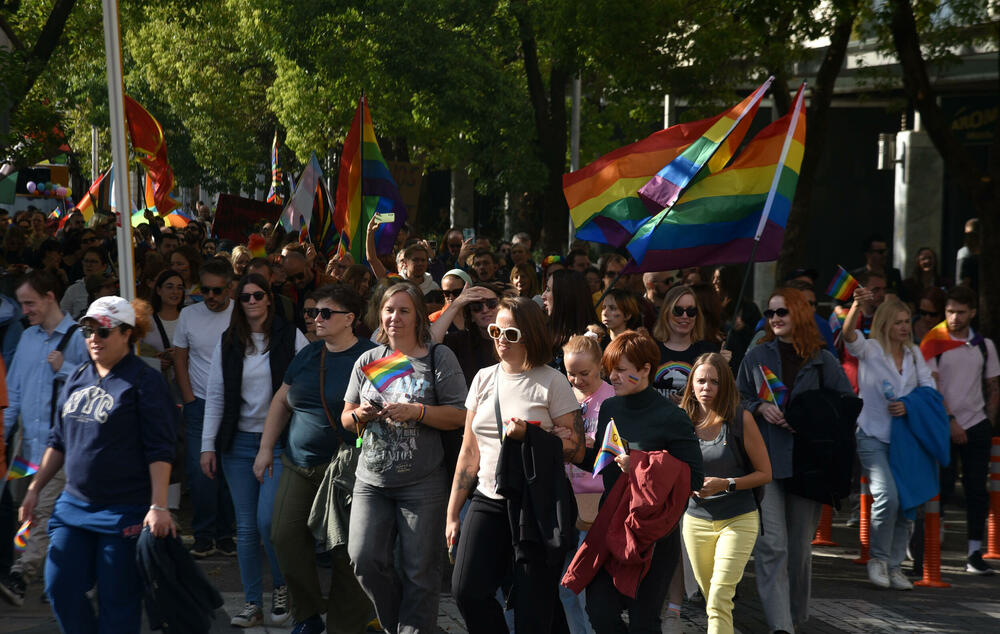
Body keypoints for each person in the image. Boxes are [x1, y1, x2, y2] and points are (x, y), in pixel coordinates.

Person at [21, 296, 176, 632]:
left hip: (124, 510)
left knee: (117, 602)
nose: (93, 338)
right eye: (87, 330)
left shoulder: (145, 382)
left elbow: (160, 450)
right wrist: (35, 488)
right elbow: (58, 441)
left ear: (127, 333)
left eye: (103, 331)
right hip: (73, 506)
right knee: (59, 586)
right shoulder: (78, 375)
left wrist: (159, 506)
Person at [447, 296, 585, 633]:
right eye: (496, 331)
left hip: (535, 505)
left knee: (532, 609)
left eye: (511, 334)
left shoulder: (552, 381)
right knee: (466, 591)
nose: (500, 340)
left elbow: (577, 449)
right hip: (487, 498)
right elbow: (468, 451)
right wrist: (452, 513)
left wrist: (533, 435)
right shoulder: (483, 378)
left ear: (531, 336)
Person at [341, 283, 468, 633]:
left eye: (403, 310)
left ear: (418, 316)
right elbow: (346, 417)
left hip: (423, 483)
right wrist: (361, 415)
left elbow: (460, 415)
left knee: (420, 572)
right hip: (371, 480)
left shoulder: (437, 356)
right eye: (389, 310)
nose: (394, 317)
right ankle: (398, 625)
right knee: (364, 560)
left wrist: (417, 411)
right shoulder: (369, 359)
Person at [254, 285, 376, 634]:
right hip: (299, 463)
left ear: (349, 319)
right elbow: (282, 400)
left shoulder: (375, 357)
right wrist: (265, 448)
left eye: (325, 313)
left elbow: (400, 400)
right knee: (283, 536)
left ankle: (345, 625)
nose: (315, 319)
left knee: (345, 550)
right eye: (311, 313)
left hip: (347, 470)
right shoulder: (307, 354)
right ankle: (307, 614)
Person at [736, 288, 853, 633]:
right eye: (770, 313)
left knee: (800, 548)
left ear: (799, 313)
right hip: (766, 461)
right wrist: (759, 407)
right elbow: (735, 399)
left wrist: (809, 418)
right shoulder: (756, 356)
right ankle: (781, 625)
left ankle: (795, 614)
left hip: (808, 465)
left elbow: (847, 405)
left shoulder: (822, 359)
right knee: (772, 545)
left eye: (782, 312)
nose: (775, 319)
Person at [577, 331, 704, 632]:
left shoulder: (672, 417)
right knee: (600, 612)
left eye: (621, 370)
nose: (613, 377)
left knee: (643, 623)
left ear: (645, 369)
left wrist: (641, 465)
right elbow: (603, 463)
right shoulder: (611, 408)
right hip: (613, 525)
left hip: (653, 536)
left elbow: (694, 477)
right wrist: (568, 449)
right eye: (610, 370)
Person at [200, 274, 308, 627]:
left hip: (279, 442)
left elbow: (308, 383)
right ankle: (251, 602)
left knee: (268, 522)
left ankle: (281, 587)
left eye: (258, 295)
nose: (251, 302)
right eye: (245, 297)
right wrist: (207, 445)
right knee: (246, 528)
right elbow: (215, 395)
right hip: (237, 443)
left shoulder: (291, 336)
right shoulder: (229, 340)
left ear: (269, 298)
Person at [0, 272, 88, 607]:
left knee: (42, 511)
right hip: (27, 447)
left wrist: (64, 369)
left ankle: (21, 575)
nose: (24, 311)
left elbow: (97, 386)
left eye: (30, 303)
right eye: (21, 304)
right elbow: (13, 394)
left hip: (63, 448)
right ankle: (65, 578)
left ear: (50, 296)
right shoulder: (27, 338)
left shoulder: (79, 337)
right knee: (30, 513)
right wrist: (3, 438)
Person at [842, 292, 935, 589]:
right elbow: (847, 335)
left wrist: (909, 405)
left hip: (906, 439)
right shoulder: (870, 349)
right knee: (887, 497)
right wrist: (856, 305)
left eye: (907, 321)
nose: (905, 327)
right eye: (898, 322)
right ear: (884, 324)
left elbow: (929, 389)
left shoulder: (914, 353)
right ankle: (878, 560)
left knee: (906, 502)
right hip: (872, 435)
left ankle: (895, 567)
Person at [681, 352, 771, 634]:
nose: (706, 387)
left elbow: (765, 473)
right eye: (701, 381)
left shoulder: (740, 419)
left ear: (725, 386)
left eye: (714, 382)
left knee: (720, 596)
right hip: (696, 521)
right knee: (713, 601)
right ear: (691, 384)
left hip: (738, 518)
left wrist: (726, 483)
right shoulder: (682, 421)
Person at [927, 285, 999, 574]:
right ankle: (932, 542)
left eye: (960, 312)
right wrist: (949, 420)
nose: (954, 317)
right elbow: (931, 386)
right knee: (942, 486)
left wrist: (988, 421)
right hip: (944, 424)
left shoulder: (984, 345)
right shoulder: (934, 343)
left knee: (976, 490)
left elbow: (993, 386)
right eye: (949, 311)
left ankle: (974, 552)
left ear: (972, 313)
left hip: (976, 424)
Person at [173, 258, 237, 559]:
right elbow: (180, 357)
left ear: (230, 288)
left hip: (234, 405)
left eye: (217, 291)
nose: (210, 296)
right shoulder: (188, 314)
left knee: (228, 470)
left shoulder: (241, 313)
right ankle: (203, 534)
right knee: (200, 473)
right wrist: (189, 398)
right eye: (205, 290)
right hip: (199, 403)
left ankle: (225, 534)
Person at [559, 333, 614, 634]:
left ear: (600, 368)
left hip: (599, 503)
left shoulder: (611, 399)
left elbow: (620, 449)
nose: (577, 380)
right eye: (571, 374)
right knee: (567, 587)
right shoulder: (563, 397)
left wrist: (589, 444)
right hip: (566, 499)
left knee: (580, 587)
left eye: (584, 374)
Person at [652, 284, 719, 403]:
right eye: (678, 311)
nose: (685, 316)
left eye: (691, 311)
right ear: (666, 312)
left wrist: (692, 401)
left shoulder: (708, 352)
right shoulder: (650, 349)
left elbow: (719, 395)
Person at [434, 283, 502, 386]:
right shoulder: (460, 341)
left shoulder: (516, 337)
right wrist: (457, 304)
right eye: (476, 307)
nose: (485, 310)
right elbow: (430, 344)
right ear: (471, 316)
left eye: (491, 303)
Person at [141, 269, 186, 403]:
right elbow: (133, 355)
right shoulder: (145, 321)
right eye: (169, 287)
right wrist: (155, 363)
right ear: (159, 290)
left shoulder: (190, 317)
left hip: (187, 386)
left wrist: (181, 355)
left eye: (180, 287)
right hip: (156, 388)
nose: (175, 292)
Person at [542, 269, 596, 373]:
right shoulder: (544, 331)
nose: (543, 296)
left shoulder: (595, 336)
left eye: (548, 289)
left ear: (565, 296)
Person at [59, 247, 110, 319]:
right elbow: (61, 316)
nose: (89, 265)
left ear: (104, 266)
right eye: (86, 261)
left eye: (94, 262)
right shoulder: (73, 290)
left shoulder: (110, 288)